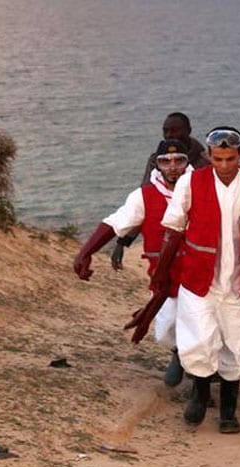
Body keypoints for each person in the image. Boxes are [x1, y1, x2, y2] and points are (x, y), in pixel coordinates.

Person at [151, 126, 240, 434]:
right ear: (208, 156)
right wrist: (161, 271)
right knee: (199, 338)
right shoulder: (191, 182)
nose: (224, 166)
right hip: (199, 279)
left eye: (230, 159)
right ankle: (199, 393)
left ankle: (229, 410)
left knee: (237, 341)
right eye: (218, 159)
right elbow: (174, 230)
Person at [73, 139, 194, 386]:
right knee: (167, 328)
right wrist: (85, 252)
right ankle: (178, 354)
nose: (172, 167)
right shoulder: (145, 196)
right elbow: (116, 222)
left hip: (200, 275)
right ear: (157, 165)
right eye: (165, 162)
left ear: (187, 162)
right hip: (164, 277)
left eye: (178, 160)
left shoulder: (202, 188)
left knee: (204, 325)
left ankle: (203, 384)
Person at [111, 112, 210, 270]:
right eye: (166, 130)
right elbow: (144, 201)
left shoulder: (205, 162)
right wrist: (123, 241)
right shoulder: (156, 161)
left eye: (175, 130)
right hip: (163, 236)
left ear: (188, 130)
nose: (170, 135)